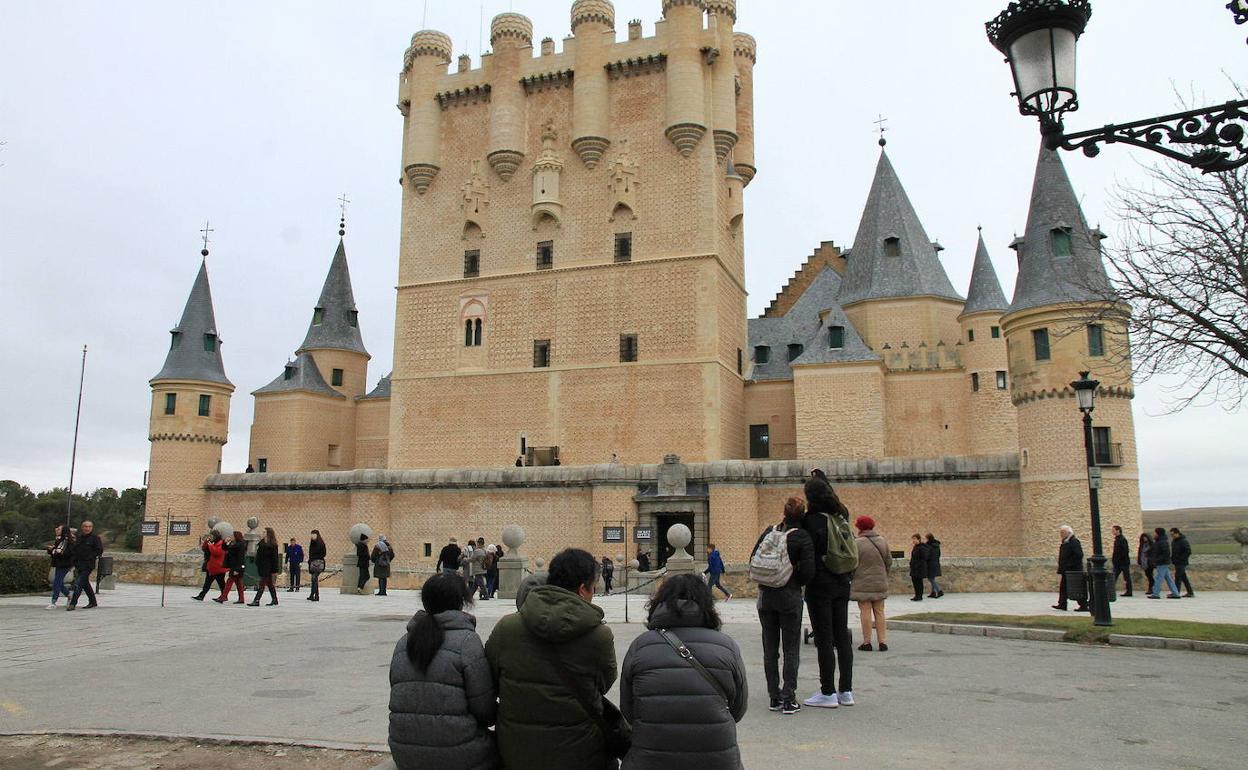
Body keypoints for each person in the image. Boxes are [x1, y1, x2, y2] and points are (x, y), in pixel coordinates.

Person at [485, 548, 617, 770]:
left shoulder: (507, 627)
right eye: (594, 587)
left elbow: (492, 680)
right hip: (580, 750)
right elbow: (603, 684)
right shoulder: (599, 635)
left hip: (517, 750)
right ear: (583, 589)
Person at [620, 573, 749, 768]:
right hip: (717, 760)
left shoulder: (640, 646)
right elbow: (738, 709)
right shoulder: (727, 646)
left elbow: (629, 710)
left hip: (651, 759)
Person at [388, 573, 498, 769]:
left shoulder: (403, 642)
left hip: (404, 752)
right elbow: (485, 711)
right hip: (459, 752)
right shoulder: (466, 642)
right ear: (461, 602)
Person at [750, 497, 815, 715]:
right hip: (789, 595)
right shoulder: (802, 537)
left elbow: (753, 558)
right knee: (790, 649)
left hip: (765, 595)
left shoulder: (770, 531)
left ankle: (773, 696)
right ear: (802, 514)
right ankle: (789, 698)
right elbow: (808, 572)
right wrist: (793, 576)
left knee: (770, 649)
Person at [801, 469, 855, 709]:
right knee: (841, 635)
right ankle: (846, 690)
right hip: (842, 580)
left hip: (819, 584)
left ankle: (828, 691)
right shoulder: (841, 515)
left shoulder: (811, 520)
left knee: (824, 637)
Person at [851, 516, 891, 652]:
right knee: (880, 611)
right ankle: (882, 641)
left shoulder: (856, 543)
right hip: (880, 581)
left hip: (862, 582)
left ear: (859, 527)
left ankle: (867, 642)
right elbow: (888, 562)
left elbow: (852, 563)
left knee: (865, 611)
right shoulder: (882, 541)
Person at [66, 520, 103, 611]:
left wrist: (90, 557)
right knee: (85, 583)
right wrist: (73, 561)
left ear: (92, 528)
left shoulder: (95, 538)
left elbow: (99, 550)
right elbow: (75, 550)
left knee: (78, 583)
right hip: (79, 564)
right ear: (82, 527)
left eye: (89, 527)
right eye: (85, 526)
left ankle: (73, 603)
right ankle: (93, 602)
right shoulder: (79, 538)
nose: (87, 528)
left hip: (88, 564)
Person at [1053, 525, 1087, 612]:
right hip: (1067, 570)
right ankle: (1062, 604)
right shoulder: (1066, 542)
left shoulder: (1074, 541)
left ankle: (1083, 605)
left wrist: (1069, 565)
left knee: (1077, 588)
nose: (1061, 534)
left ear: (1068, 533)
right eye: (1060, 532)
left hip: (1073, 570)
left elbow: (1079, 555)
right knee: (1063, 587)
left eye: (1062, 532)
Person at [45, 524, 75, 610]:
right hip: (59, 564)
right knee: (58, 582)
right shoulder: (59, 540)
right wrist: (52, 550)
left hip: (65, 564)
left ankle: (54, 601)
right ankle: (69, 595)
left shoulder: (67, 541)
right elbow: (56, 552)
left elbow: (66, 553)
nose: (56, 529)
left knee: (57, 582)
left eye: (59, 529)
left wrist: (54, 550)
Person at [193, 530, 228, 601]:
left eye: (212, 536)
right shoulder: (213, 543)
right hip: (212, 567)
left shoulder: (221, 543)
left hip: (219, 567)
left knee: (221, 583)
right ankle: (201, 596)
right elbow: (204, 548)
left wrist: (211, 545)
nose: (211, 537)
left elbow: (217, 552)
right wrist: (207, 542)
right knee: (208, 583)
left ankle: (224, 596)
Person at [1148, 527, 1181, 599]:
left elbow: (1166, 554)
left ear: (1158, 533)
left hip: (1162, 563)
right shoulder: (1160, 541)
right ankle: (1175, 593)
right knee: (1169, 578)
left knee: (1158, 578)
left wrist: (1156, 560)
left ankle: (1155, 593)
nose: (1154, 534)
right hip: (1162, 562)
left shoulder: (1162, 542)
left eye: (1155, 533)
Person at [215, 530, 247, 604]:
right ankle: (241, 599)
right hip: (234, 566)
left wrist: (238, 569)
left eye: (232, 536)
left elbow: (241, 558)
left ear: (236, 537)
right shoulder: (234, 544)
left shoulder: (240, 545)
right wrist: (225, 542)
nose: (231, 537)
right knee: (239, 584)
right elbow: (225, 549)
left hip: (237, 567)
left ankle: (223, 597)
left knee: (229, 582)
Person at [251, 527, 280, 607]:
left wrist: (275, 569)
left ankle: (256, 600)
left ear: (268, 534)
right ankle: (275, 599)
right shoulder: (261, 543)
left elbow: (275, 558)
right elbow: (258, 555)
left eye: (264, 532)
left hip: (268, 567)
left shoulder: (273, 545)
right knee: (270, 584)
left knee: (262, 584)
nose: (262, 533)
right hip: (262, 566)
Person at [1170, 528, 1195, 598]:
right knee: (1184, 577)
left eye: (1173, 534)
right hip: (1176, 562)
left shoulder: (1183, 541)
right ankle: (1190, 592)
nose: (1172, 536)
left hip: (1181, 562)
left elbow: (1188, 551)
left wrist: (1181, 559)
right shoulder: (1174, 541)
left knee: (1178, 577)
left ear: (1177, 533)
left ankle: (1176, 592)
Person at [1111, 525, 1133, 597]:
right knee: (1114, 576)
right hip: (1118, 562)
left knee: (1126, 577)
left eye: (1114, 530)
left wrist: (1118, 559)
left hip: (1123, 562)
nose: (1112, 531)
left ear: (1118, 530)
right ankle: (1110, 590)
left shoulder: (1122, 540)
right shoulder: (1117, 539)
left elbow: (1124, 551)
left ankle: (1129, 591)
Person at [908, 534, 929, 602]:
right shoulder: (915, 547)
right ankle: (916, 595)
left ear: (919, 539)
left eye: (915, 539)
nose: (913, 541)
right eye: (913, 539)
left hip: (919, 568)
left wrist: (917, 564)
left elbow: (924, 558)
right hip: (914, 568)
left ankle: (919, 596)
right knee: (915, 582)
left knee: (919, 582)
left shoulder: (922, 548)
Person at [307, 529, 326, 602]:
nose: (312, 536)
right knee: (314, 579)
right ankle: (313, 595)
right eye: (311, 535)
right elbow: (310, 553)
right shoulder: (312, 543)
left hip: (318, 563)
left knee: (314, 578)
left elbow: (324, 553)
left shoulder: (321, 543)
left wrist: (314, 557)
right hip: (312, 563)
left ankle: (316, 595)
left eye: (314, 535)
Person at [924, 533, 944, 598]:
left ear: (928, 538)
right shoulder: (937, 546)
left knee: (930, 579)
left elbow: (927, 555)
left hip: (930, 564)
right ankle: (933, 592)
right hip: (936, 563)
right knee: (932, 578)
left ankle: (939, 591)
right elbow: (939, 555)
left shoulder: (928, 546)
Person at [1137, 532, 1154, 597]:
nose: (1144, 539)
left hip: (1150, 562)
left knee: (1150, 575)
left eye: (1145, 537)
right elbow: (1140, 553)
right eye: (1143, 537)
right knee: (1148, 575)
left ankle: (1151, 587)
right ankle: (1151, 587)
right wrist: (1139, 561)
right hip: (1144, 562)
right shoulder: (1142, 545)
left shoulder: (1151, 544)